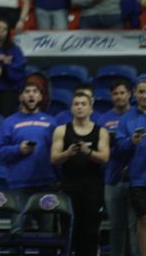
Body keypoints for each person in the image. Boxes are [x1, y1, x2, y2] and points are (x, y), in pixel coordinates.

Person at [50, 90, 110, 256]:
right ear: (71, 108)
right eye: (76, 104)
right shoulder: (61, 130)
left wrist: (87, 151)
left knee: (90, 234)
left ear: (91, 108)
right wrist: (68, 153)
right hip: (70, 188)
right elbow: (54, 158)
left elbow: (105, 158)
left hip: (92, 189)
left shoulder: (101, 132)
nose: (80, 107)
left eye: (83, 104)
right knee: (70, 233)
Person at [0, 84, 58, 205]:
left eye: (35, 91)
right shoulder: (9, 122)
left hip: (46, 182)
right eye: (27, 91)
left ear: (40, 97)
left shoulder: (51, 122)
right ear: (21, 97)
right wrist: (18, 149)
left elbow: (56, 152)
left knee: (47, 224)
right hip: (18, 183)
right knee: (18, 224)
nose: (31, 94)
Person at [99, 80, 138, 256]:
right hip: (112, 179)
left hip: (135, 179)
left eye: (122, 93)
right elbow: (102, 150)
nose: (119, 96)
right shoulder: (104, 120)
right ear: (111, 96)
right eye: (115, 93)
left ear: (130, 94)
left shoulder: (138, 116)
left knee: (135, 226)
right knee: (116, 227)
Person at [113, 79, 146, 255]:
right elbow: (118, 148)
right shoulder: (127, 119)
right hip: (139, 179)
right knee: (143, 221)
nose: (144, 95)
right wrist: (130, 142)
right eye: (141, 92)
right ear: (135, 94)